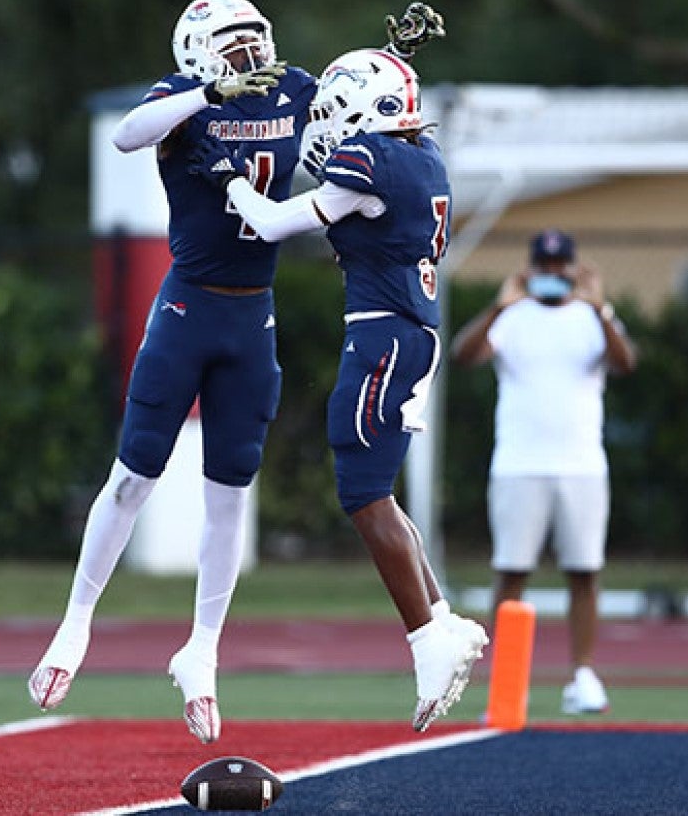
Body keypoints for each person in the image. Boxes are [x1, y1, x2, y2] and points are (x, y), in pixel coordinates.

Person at [28, 0, 447, 744]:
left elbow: (352, 106)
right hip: (186, 308)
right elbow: (128, 134)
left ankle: (203, 653)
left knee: (229, 497)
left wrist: (395, 65)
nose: (250, 53)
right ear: (195, 50)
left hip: (254, 315)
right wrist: (205, 94)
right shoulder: (180, 98)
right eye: (232, 42)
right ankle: (76, 623)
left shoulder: (288, 87)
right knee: (133, 477)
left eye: (255, 37)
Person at [187, 46, 488, 733]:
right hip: (410, 334)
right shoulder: (422, 157)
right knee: (376, 488)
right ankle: (440, 622)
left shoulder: (373, 162)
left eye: (333, 109)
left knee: (362, 492)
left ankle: (425, 641)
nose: (327, 125)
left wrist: (231, 180)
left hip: (384, 335)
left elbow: (271, 223)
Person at [449, 228, 638, 714]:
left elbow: (625, 363)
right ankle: (510, 683)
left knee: (584, 572)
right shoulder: (513, 318)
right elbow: (464, 355)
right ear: (532, 268)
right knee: (511, 572)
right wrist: (499, 306)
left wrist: (599, 306)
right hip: (518, 465)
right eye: (545, 266)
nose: (553, 274)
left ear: (572, 268)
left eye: (560, 266)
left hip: (581, 466)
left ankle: (583, 675)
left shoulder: (591, 317)